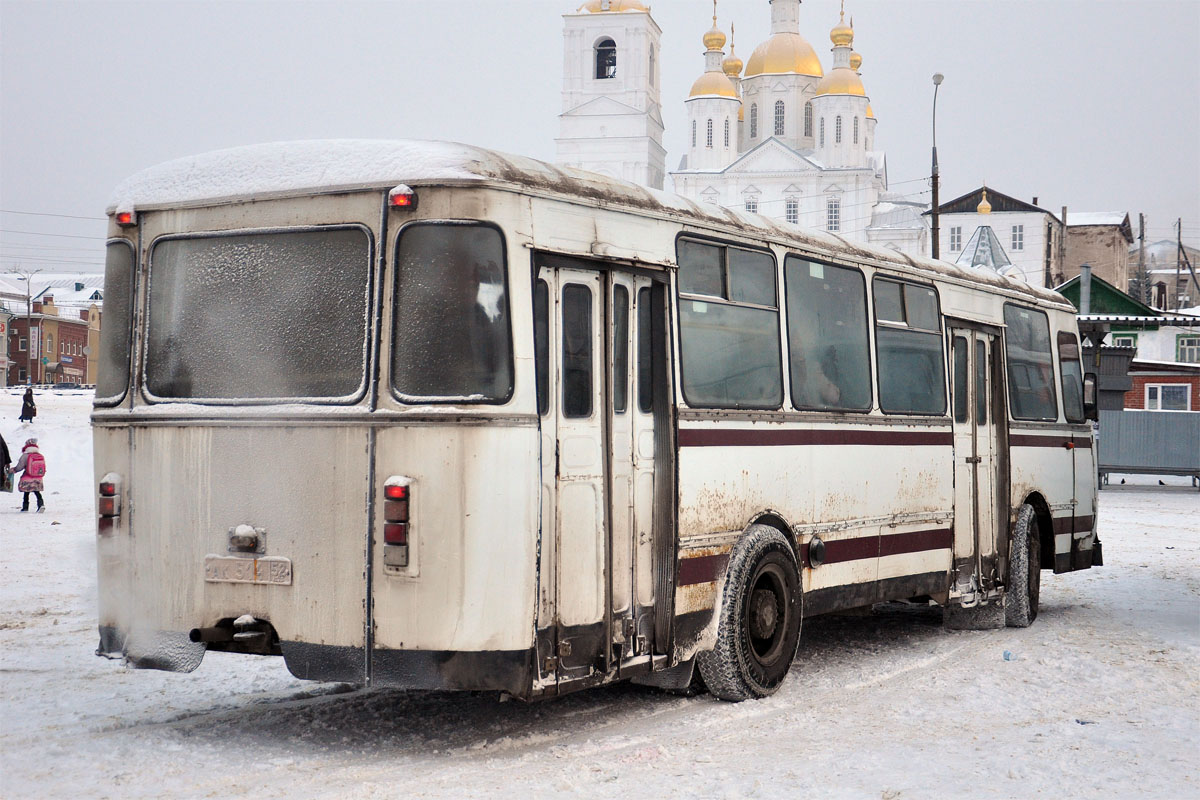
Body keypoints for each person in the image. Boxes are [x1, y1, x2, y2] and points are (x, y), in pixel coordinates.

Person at [8, 437, 46, 513]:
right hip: (38, 478)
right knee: (37, 492)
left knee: (26, 492)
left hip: (27, 477)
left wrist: (14, 470)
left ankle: (25, 507)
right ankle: (41, 504)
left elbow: (20, 466)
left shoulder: (25, 456)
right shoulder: (40, 455)